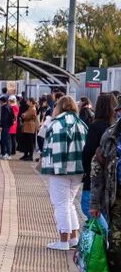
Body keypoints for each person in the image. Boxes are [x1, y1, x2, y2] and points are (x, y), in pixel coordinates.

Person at [39, 95, 89, 250]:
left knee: (60, 204)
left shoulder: (57, 124)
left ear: (58, 107)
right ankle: (74, 238)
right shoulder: (82, 124)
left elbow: (54, 149)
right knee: (69, 203)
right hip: (78, 170)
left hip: (60, 170)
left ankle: (63, 241)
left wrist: (51, 169)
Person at [89, 106, 121, 272]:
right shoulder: (110, 135)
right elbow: (97, 168)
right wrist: (94, 202)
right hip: (116, 198)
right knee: (116, 244)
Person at [82, 94, 117, 214]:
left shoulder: (95, 126)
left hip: (96, 174)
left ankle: (103, 232)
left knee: (88, 207)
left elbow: (88, 151)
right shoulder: (115, 127)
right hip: (113, 177)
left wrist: (86, 170)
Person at [0, 94, 17, 159]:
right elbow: (13, 116)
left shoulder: (4, 108)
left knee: (5, 140)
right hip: (8, 125)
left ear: (2, 101)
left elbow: (4, 118)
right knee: (4, 139)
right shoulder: (9, 107)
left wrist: (1, 125)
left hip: (5, 126)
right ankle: (3, 153)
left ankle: (7, 154)